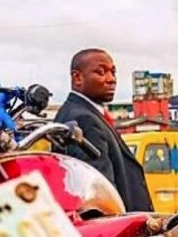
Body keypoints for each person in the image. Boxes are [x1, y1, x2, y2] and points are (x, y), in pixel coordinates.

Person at [55, 49, 153, 212]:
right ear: (77, 78)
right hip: (117, 229)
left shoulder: (81, 113)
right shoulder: (83, 119)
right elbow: (100, 194)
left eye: (113, 72)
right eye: (101, 72)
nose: (111, 79)